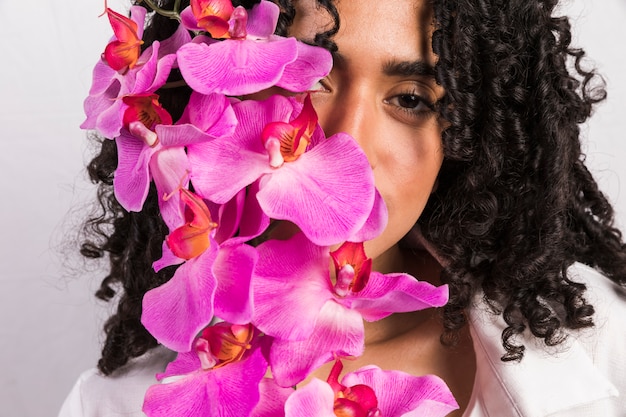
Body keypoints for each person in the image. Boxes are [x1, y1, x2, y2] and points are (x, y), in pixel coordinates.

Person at [60, 0, 626, 416]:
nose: (348, 144)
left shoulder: (607, 344)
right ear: (216, 93)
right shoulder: (109, 405)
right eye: (308, 80)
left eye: (409, 100)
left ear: (471, 137)